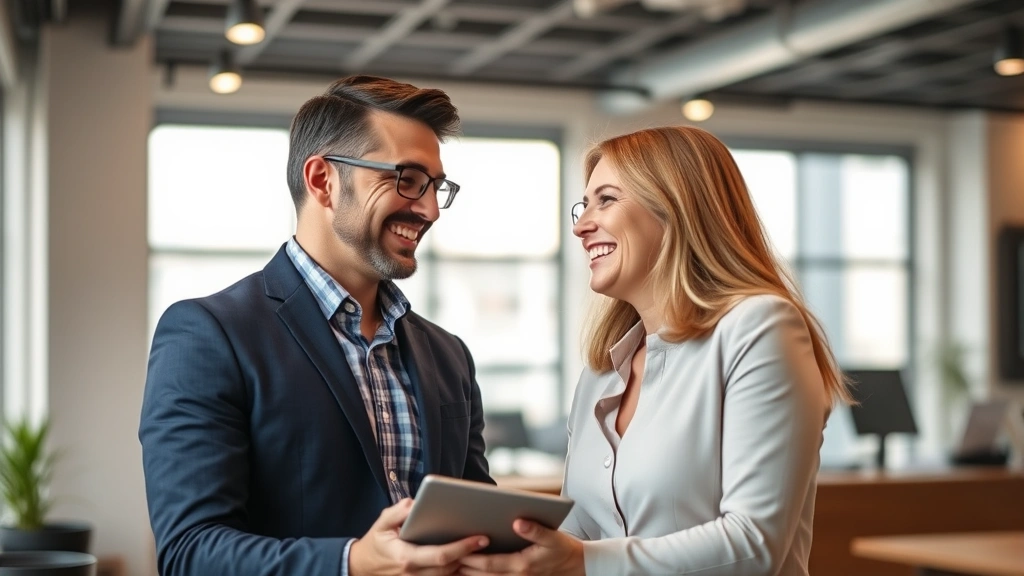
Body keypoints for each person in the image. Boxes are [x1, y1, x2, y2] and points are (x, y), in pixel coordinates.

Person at [140, 75, 493, 576]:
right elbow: (191, 552)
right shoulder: (208, 335)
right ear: (323, 180)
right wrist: (353, 562)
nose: (430, 209)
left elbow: (474, 521)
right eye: (407, 179)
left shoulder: (448, 354)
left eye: (436, 186)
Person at [459, 126, 852, 576]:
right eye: (583, 204)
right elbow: (582, 535)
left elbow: (754, 544)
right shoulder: (602, 372)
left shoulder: (759, 327)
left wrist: (581, 561)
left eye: (606, 200)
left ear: (676, 208)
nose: (581, 225)